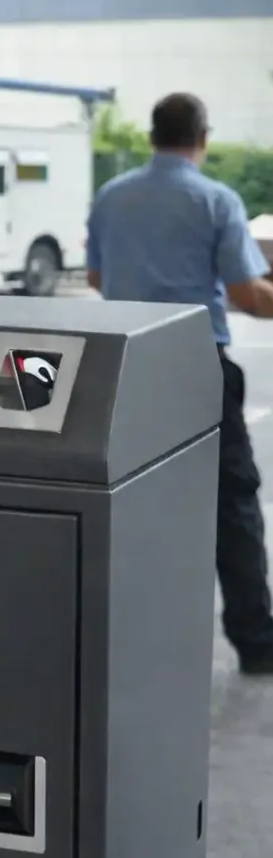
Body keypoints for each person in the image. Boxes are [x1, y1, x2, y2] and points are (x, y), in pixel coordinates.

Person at [86, 92, 273, 676]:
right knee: (232, 499)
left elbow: (96, 275)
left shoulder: (111, 196)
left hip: (123, 364)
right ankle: (258, 643)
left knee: (132, 496)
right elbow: (248, 295)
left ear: (151, 135)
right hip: (195, 368)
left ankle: (127, 639)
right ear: (203, 137)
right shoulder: (215, 199)